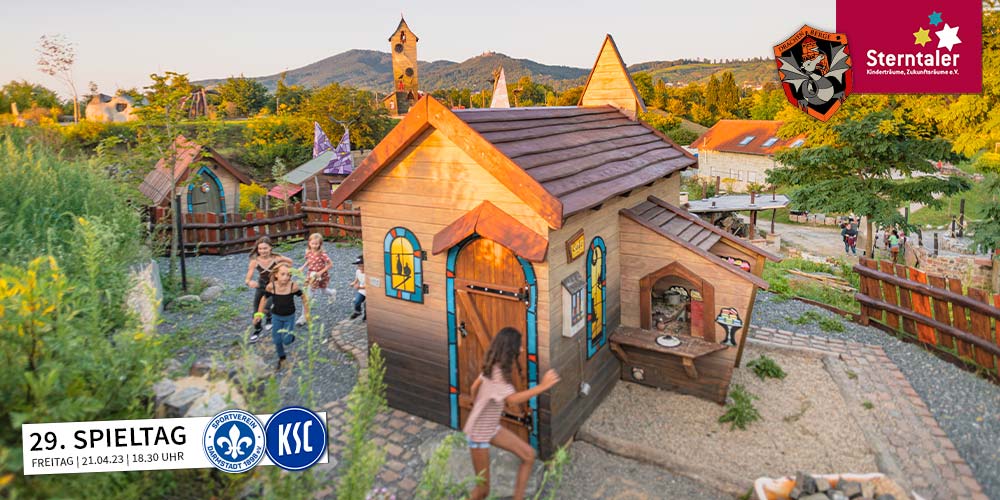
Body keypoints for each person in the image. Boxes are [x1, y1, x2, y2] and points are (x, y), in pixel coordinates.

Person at [464, 327, 561, 500]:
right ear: (511, 350)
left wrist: (476, 405)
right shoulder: (499, 376)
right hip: (478, 435)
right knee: (482, 490)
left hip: (490, 428)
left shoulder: (492, 365)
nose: (522, 349)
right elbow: (513, 399)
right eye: (519, 346)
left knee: (529, 455)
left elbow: (474, 387)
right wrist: (542, 386)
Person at [253, 263, 308, 371]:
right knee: (277, 340)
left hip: (289, 317)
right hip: (276, 316)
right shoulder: (271, 286)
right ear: (276, 275)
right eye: (283, 274)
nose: (286, 277)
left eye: (288, 275)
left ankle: (291, 337)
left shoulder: (293, 286)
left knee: (287, 340)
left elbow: (304, 297)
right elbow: (264, 299)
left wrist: (307, 313)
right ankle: (282, 358)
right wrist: (259, 314)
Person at [244, 237, 294, 343]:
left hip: (274, 287)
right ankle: (258, 329)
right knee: (256, 310)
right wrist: (249, 282)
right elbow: (248, 278)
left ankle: (269, 316)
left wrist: (285, 274)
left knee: (266, 307)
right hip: (261, 286)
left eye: (265, 248)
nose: (262, 251)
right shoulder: (255, 261)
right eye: (260, 249)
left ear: (270, 248)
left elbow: (290, 262)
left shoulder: (276, 258)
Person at [300, 233, 336, 317]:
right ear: (309, 243)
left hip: (322, 276)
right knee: (308, 296)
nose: (314, 246)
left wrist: (320, 272)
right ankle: (303, 316)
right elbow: (309, 261)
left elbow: (330, 264)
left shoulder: (322, 254)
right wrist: (303, 267)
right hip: (311, 276)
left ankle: (332, 293)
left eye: (316, 244)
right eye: (312, 243)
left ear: (320, 244)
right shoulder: (308, 252)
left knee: (324, 290)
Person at [349, 255, 366, 321]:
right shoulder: (358, 271)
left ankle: (366, 315)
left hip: (367, 290)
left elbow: (368, 286)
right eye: (359, 266)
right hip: (361, 290)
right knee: (357, 301)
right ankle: (358, 311)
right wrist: (354, 283)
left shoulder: (368, 273)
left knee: (366, 304)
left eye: (362, 266)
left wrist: (359, 287)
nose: (360, 267)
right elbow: (357, 279)